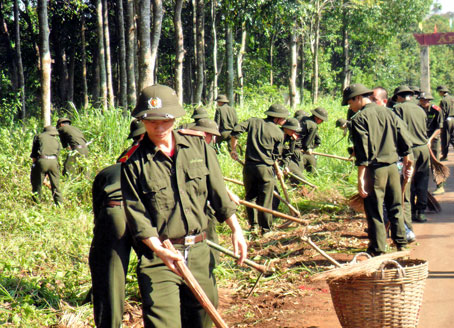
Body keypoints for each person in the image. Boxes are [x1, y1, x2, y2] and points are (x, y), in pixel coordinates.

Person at [121, 84, 247, 328]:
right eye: (151, 121)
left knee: (202, 321)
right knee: (162, 323)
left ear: (175, 118)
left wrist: (236, 229)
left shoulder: (198, 147)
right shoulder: (133, 162)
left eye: (165, 120)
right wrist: (159, 250)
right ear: (142, 121)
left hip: (199, 252)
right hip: (160, 258)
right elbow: (137, 216)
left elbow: (219, 194)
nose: (159, 128)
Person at [342, 83, 412, 255]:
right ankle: (401, 244)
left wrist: (360, 180)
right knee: (396, 207)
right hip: (393, 168)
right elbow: (405, 142)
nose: (350, 107)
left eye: (350, 103)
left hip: (375, 171)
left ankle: (378, 249)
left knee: (375, 210)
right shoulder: (389, 112)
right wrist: (407, 166)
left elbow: (363, 153)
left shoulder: (359, 119)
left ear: (358, 98)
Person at [89, 120, 146, 328]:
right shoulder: (157, 159)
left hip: (113, 213)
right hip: (144, 215)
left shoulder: (112, 168)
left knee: (110, 275)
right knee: (154, 268)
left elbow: (98, 213)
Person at [230, 104, 288, 234]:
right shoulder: (279, 133)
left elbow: (236, 131)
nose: (284, 121)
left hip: (249, 167)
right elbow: (275, 156)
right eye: (283, 118)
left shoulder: (253, 121)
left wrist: (233, 149)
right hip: (265, 169)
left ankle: (253, 226)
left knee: (250, 198)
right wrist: (277, 169)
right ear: (277, 118)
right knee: (265, 199)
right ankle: (266, 229)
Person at [392, 86, 430, 224]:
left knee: (407, 181)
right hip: (423, 149)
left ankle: (408, 212)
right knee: (423, 180)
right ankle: (421, 212)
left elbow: (397, 130)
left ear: (399, 97)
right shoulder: (420, 109)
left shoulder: (398, 109)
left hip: (410, 150)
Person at [30, 126, 63, 205]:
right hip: (54, 162)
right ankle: (59, 204)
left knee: (37, 185)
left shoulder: (39, 137)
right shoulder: (56, 141)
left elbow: (34, 154)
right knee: (56, 185)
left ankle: (36, 204)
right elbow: (57, 155)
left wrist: (35, 166)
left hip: (42, 160)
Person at [419, 91, 444, 195]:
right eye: (422, 100)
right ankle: (421, 188)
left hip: (433, 138)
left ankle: (440, 186)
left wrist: (430, 140)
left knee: (435, 162)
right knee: (421, 163)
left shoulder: (436, 110)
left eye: (426, 100)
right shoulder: (417, 109)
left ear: (429, 101)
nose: (424, 102)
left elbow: (439, 128)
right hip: (420, 139)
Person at [297, 107, 328, 173]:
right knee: (311, 162)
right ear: (317, 118)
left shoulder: (302, 118)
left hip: (293, 145)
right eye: (321, 120)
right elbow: (307, 143)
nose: (322, 122)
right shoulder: (313, 125)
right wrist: (308, 149)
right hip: (299, 150)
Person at [436, 85, 454, 161]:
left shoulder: (443, 100)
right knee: (453, 137)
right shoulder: (452, 98)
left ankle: (445, 155)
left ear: (441, 92)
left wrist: (440, 122)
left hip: (447, 120)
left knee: (445, 138)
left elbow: (443, 113)